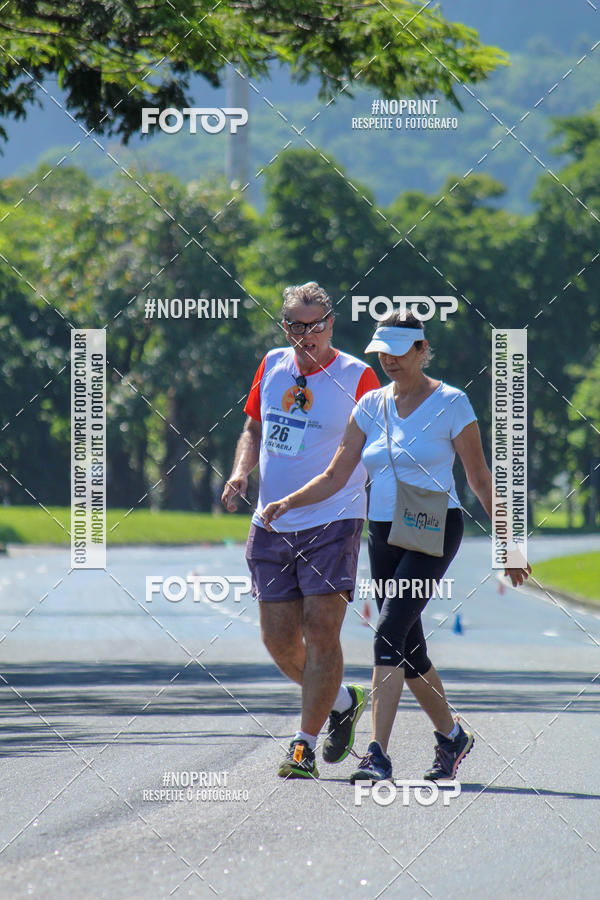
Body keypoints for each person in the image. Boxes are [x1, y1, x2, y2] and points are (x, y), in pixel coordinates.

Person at [262, 312, 531, 783]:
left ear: (421, 349)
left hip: (434, 529)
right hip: (384, 532)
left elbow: (479, 479)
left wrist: (508, 544)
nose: (388, 360)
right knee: (409, 649)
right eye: (381, 352)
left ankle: (377, 755)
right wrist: (289, 501)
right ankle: (452, 737)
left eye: (398, 351)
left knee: (387, 633)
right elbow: (335, 475)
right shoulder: (370, 404)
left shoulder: (452, 402)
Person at [221, 281, 380, 778]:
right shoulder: (271, 365)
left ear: (331, 324)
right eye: (294, 325)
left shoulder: (358, 377)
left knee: (321, 630)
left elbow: (374, 448)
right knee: (278, 639)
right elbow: (253, 428)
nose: (304, 335)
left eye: (314, 326)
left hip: (333, 519)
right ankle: (342, 702)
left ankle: (303, 745)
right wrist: (240, 472)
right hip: (271, 521)